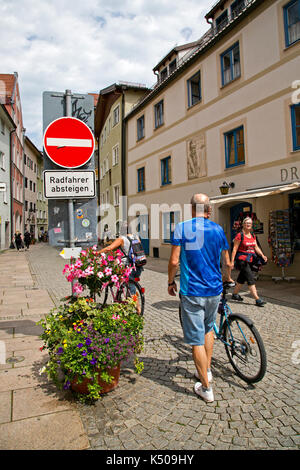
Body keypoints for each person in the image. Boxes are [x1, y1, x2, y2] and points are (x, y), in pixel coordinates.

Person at [168, 193, 231, 403]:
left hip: (192, 291)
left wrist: (170, 281)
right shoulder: (218, 229)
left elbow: (175, 260)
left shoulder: (182, 228)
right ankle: (207, 370)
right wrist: (227, 279)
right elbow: (227, 262)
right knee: (208, 329)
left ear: (191, 208)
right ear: (209, 210)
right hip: (214, 290)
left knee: (196, 339)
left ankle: (206, 388)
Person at [99, 222, 144, 314]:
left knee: (130, 288)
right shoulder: (136, 237)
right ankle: (124, 299)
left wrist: (97, 252)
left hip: (126, 267)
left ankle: (138, 309)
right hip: (138, 266)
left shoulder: (122, 239)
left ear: (121, 230)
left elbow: (109, 248)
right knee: (131, 285)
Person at [230, 217, 267, 307]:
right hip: (242, 260)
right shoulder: (239, 235)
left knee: (242, 278)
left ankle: (234, 294)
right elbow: (234, 249)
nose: (248, 224)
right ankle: (257, 299)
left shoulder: (253, 235)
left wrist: (262, 255)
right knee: (250, 278)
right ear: (243, 224)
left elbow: (256, 247)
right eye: (246, 223)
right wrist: (232, 262)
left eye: (250, 223)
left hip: (250, 260)